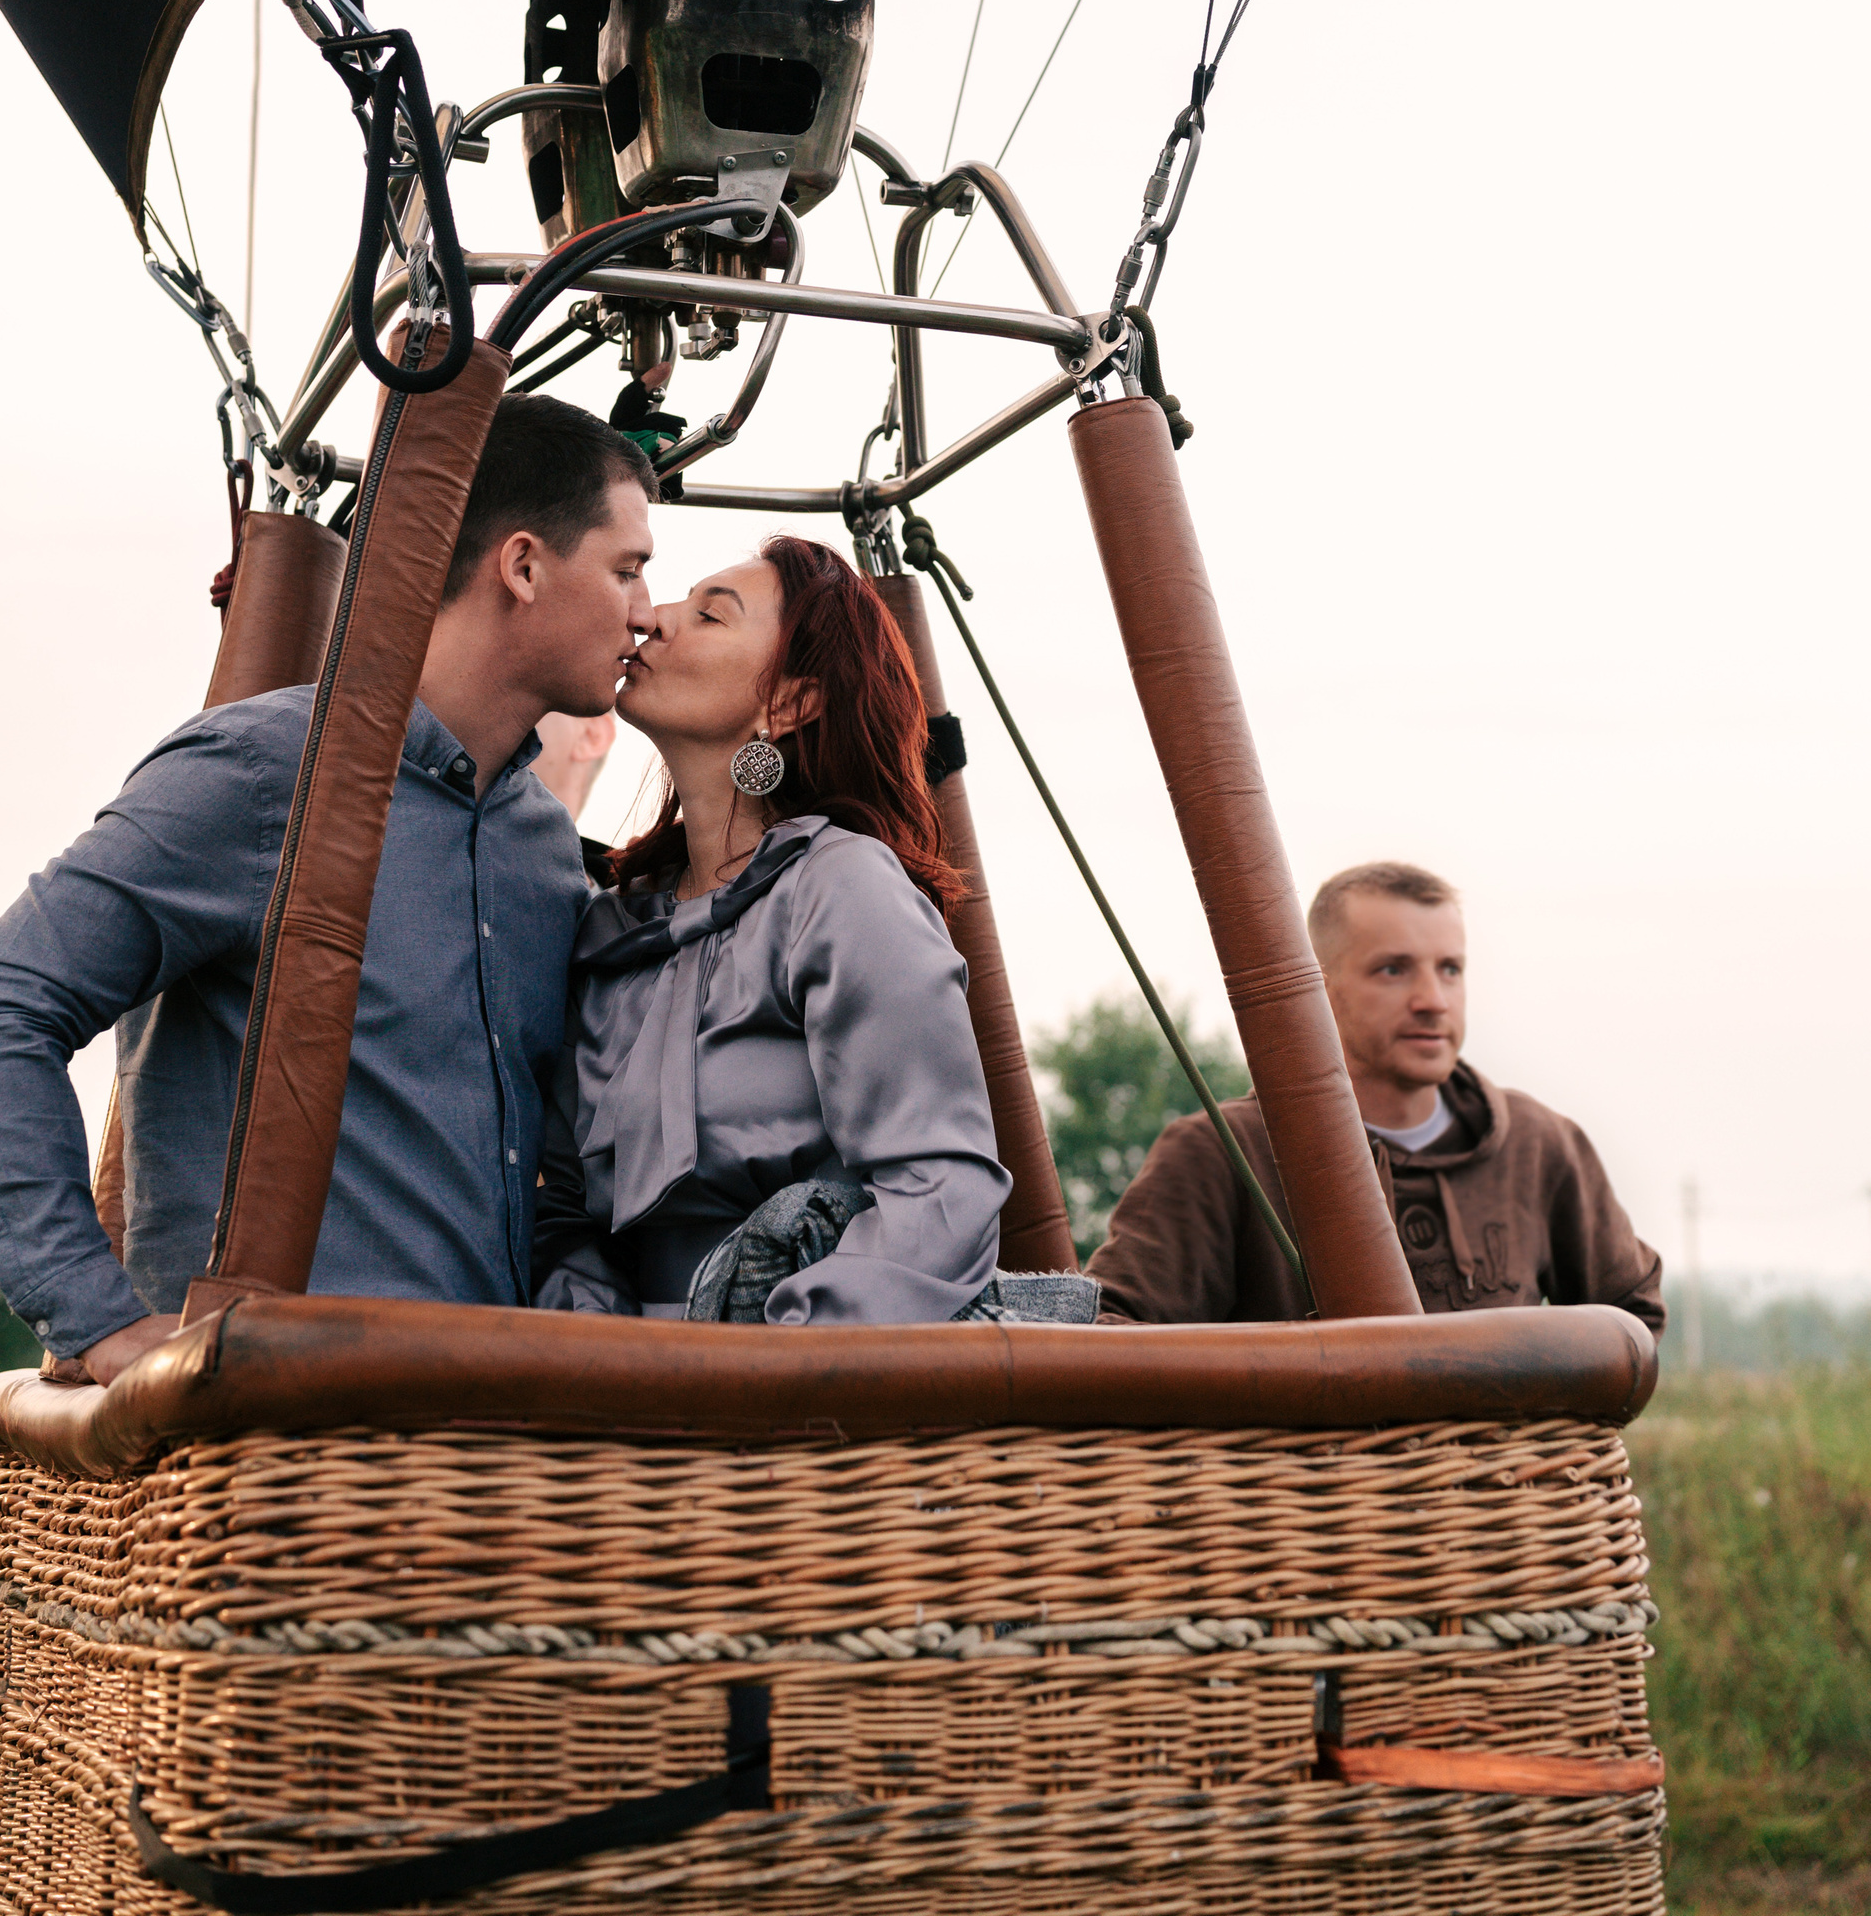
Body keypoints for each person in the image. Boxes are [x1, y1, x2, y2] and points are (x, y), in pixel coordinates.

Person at [0, 395, 657, 1386]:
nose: (646, 610)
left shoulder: (542, 851)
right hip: (272, 1442)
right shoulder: (262, 772)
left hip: (477, 1438)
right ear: (524, 566)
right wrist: (94, 1318)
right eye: (627, 569)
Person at [535, 535, 1012, 1325]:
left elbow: (940, 1194)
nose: (653, 618)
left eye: (709, 615)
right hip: (625, 1381)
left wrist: (783, 1360)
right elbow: (560, 1209)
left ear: (789, 704)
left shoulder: (840, 888)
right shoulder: (613, 926)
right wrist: (599, 1351)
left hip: (806, 1364)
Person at [1086, 860, 1665, 1334]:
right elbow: (1111, 1336)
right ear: (1318, 989)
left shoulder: (1540, 1144)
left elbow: (1630, 1318)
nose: (1433, 999)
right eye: (1393, 970)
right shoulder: (1221, 1153)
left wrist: (1539, 1414)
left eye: (1450, 969)